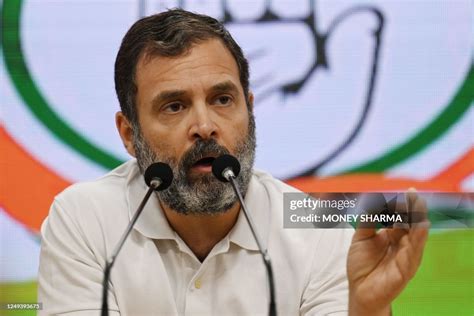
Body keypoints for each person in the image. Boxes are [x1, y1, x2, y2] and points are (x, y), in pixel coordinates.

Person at [38, 9, 429, 315]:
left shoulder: (316, 227)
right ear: (128, 134)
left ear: (250, 109)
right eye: (174, 106)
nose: (205, 127)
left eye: (222, 100)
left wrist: (367, 311)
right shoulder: (84, 219)